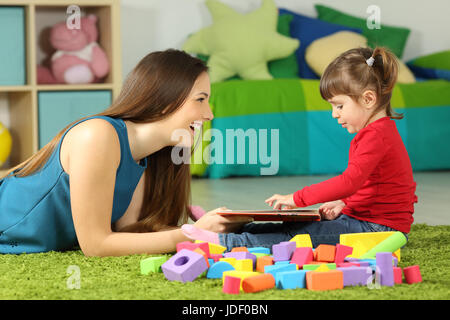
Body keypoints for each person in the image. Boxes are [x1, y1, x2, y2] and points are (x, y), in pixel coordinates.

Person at [0, 49, 252, 256]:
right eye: (200, 99)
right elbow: (96, 246)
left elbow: (128, 233)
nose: (209, 114)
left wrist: (213, 226)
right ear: (165, 100)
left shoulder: (147, 155)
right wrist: (194, 234)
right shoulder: (97, 136)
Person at [182, 47, 418, 250]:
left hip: (379, 230)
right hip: (367, 220)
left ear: (368, 99)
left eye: (339, 106)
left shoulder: (377, 136)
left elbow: (350, 181)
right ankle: (228, 230)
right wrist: (345, 203)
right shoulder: (376, 133)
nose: (335, 114)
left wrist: (298, 198)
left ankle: (225, 243)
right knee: (295, 225)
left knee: (298, 237)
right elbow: (374, 185)